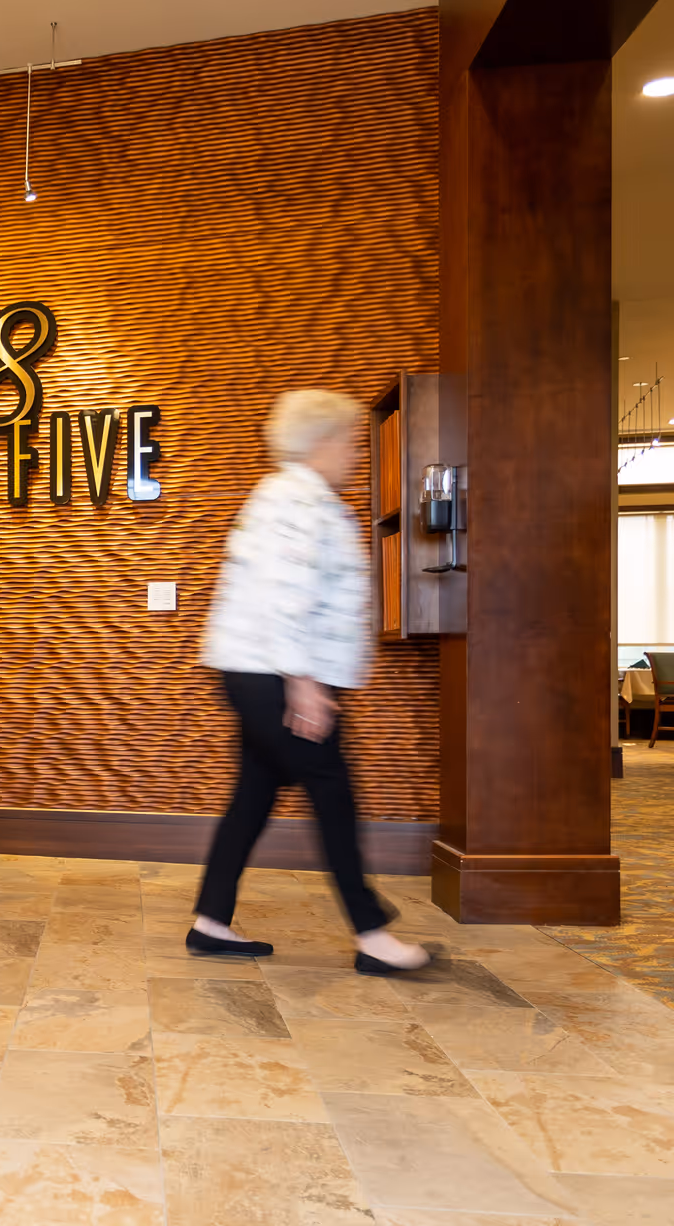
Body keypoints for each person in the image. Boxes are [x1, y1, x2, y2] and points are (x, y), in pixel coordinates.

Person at [191, 389, 431, 975]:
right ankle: (372, 933)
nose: (355, 451)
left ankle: (211, 923)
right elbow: (284, 595)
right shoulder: (294, 499)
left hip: (261, 670)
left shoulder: (299, 497)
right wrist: (302, 682)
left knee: (254, 795)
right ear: (321, 441)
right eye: (350, 440)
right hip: (276, 674)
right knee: (334, 793)